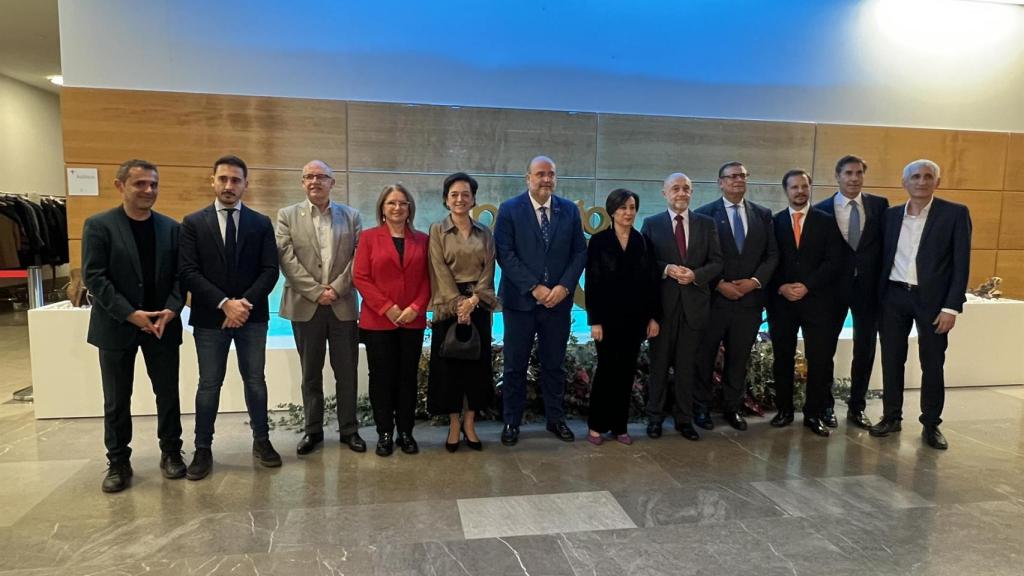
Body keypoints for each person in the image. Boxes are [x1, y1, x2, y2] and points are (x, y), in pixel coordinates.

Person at [82, 159, 185, 493]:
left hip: (162, 326)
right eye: (140, 184)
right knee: (116, 399)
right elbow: (95, 278)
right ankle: (117, 462)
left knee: (168, 394)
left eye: (153, 184)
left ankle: (171, 452)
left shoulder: (171, 227)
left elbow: (180, 277)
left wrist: (170, 310)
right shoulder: (99, 225)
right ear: (120, 186)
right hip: (116, 327)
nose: (148, 190)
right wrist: (131, 314)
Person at [178, 155, 281, 480]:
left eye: (236, 180)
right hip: (210, 318)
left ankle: (262, 441)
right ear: (212, 181)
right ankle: (203, 449)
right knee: (209, 384)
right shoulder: (193, 223)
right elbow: (189, 271)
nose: (228, 185)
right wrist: (224, 303)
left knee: (256, 381)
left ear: (245, 185)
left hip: (252, 317)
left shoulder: (261, 222)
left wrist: (243, 304)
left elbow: (270, 270)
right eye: (223, 178)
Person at [871, 160, 971, 450]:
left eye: (929, 177)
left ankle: (931, 424)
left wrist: (951, 307)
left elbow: (961, 264)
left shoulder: (954, 214)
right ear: (905, 182)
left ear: (937, 183)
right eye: (916, 176)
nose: (922, 181)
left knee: (932, 363)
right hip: (893, 296)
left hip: (933, 302)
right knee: (891, 359)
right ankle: (891, 416)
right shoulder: (889, 216)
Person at [493, 155, 587, 446]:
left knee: (554, 366)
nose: (546, 179)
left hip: (558, 303)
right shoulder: (509, 209)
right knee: (514, 366)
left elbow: (579, 253)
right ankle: (511, 422)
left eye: (551, 174)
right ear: (528, 178)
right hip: (520, 303)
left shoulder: (569, 211)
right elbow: (504, 253)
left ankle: (555, 420)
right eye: (540, 174)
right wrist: (534, 287)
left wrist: (563, 287)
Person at [276, 160, 366, 456]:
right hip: (306, 305)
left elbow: (358, 258)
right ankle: (312, 431)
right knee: (310, 373)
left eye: (321, 177)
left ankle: (349, 430)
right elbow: (287, 260)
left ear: (332, 182)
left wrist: (336, 289)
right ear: (302, 183)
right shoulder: (287, 215)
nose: (315, 181)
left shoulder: (351, 216)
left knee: (347, 372)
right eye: (309, 177)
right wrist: (317, 292)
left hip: (342, 305)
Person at [693, 162, 778, 431]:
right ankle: (701, 409)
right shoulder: (704, 215)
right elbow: (698, 258)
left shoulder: (763, 215)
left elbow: (772, 255)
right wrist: (719, 284)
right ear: (720, 182)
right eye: (732, 176)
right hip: (715, 301)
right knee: (704, 357)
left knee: (738, 359)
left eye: (742, 175)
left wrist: (753, 282)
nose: (738, 180)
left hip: (749, 302)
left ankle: (733, 408)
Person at [640, 175, 722, 441]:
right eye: (675, 188)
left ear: (692, 192)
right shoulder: (651, 224)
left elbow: (717, 262)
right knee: (659, 366)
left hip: (694, 308)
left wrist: (696, 275)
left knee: (688, 367)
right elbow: (643, 263)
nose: (681, 193)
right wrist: (665, 269)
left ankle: (684, 420)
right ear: (664, 193)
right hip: (662, 309)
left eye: (686, 188)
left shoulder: (706, 224)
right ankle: (654, 419)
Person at [353, 183, 430, 457]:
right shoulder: (369, 237)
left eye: (402, 203)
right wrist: (388, 308)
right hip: (377, 321)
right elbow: (360, 276)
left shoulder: (423, 240)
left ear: (410, 208)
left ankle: (406, 432)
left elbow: (428, 279)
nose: (397, 207)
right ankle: (385, 432)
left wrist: (416, 307)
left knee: (407, 378)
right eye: (391, 203)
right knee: (382, 378)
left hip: (413, 320)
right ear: (382, 209)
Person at [767, 170, 844, 437]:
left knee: (819, 360)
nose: (800, 191)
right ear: (785, 190)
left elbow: (834, 262)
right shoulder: (773, 223)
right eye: (794, 187)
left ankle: (813, 414)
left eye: (804, 186)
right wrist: (781, 286)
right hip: (782, 303)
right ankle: (784, 411)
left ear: (810, 188)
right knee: (783, 359)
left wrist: (808, 285)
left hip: (818, 302)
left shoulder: (827, 222)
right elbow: (768, 260)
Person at [814, 155, 888, 429]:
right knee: (825, 349)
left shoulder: (879, 206)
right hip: (832, 290)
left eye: (859, 173)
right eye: (848, 173)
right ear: (838, 176)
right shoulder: (821, 209)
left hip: (868, 290)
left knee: (865, 348)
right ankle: (826, 406)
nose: (854, 178)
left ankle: (857, 407)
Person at [427, 172, 498, 452]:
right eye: (454, 194)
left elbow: (489, 268)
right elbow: (438, 268)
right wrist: (458, 304)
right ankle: (454, 425)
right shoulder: (437, 231)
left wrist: (473, 301)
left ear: (474, 199)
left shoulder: (485, 232)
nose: (460, 199)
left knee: (476, 369)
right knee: (450, 369)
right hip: (447, 306)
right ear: (446, 199)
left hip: (478, 306)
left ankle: (471, 423)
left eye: (465, 194)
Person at [585, 188, 661, 445]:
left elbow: (651, 283)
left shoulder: (642, 241)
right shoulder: (598, 241)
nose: (628, 213)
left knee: (626, 373)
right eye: (622, 208)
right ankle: (596, 424)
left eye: (631, 208)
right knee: (607, 371)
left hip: (635, 320)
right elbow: (593, 282)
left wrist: (653, 318)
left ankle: (619, 426)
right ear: (612, 211)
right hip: (606, 320)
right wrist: (594, 320)